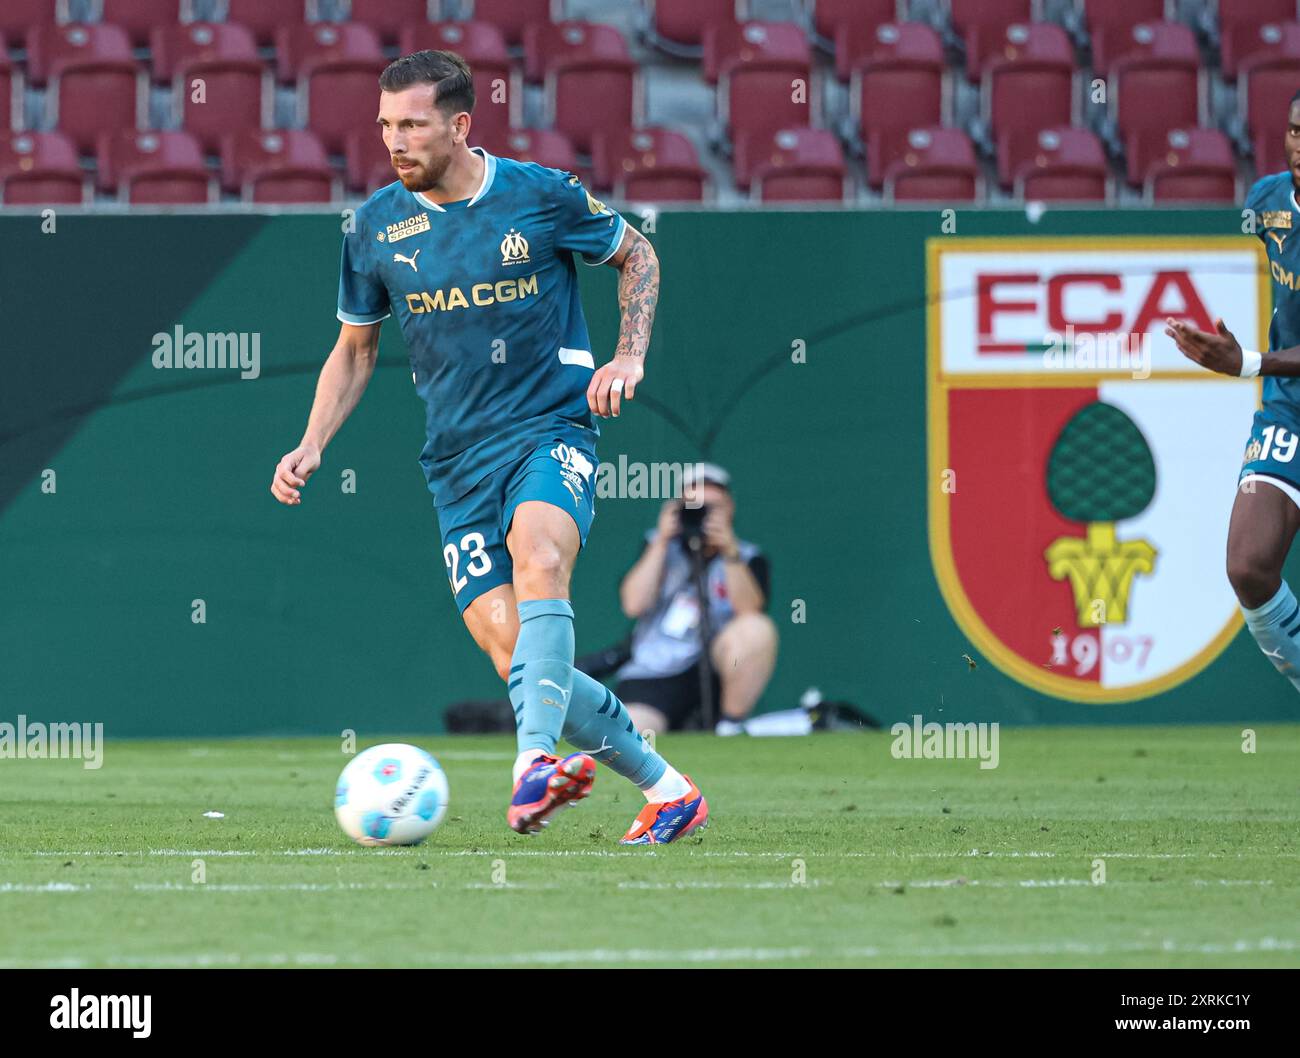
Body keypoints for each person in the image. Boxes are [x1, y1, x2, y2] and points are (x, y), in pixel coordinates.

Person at [269, 50, 706, 845]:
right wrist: (312, 442)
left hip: (548, 430)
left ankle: (530, 767)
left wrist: (629, 353)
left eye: (412, 125)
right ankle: (670, 791)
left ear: (460, 124)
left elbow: (636, 251)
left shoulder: (539, 196)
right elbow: (356, 349)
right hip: (454, 465)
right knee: (523, 662)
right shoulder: (374, 227)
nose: (394, 142)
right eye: (385, 126)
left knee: (540, 554)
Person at [1165, 88, 1300, 697]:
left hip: (1272, 375)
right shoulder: (1269, 200)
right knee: (1248, 566)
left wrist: (1249, 361)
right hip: (1290, 410)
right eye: (1296, 131)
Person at [616, 464, 778, 735]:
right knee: (633, 735)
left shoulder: (747, 556)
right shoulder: (658, 545)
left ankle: (730, 727)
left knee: (758, 627)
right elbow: (633, 604)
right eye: (694, 507)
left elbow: (750, 614)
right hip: (656, 672)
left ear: (730, 508)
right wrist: (662, 542)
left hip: (717, 670)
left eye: (712, 508)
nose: (702, 515)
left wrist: (729, 551)